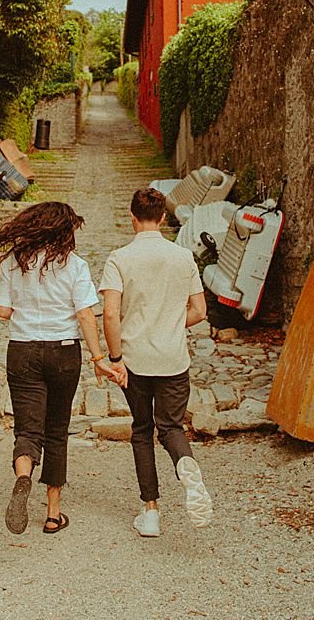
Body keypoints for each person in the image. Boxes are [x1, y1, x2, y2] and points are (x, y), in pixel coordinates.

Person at [0, 202, 120, 536]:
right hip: (63, 352)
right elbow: (86, 315)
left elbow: (3, 311)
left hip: (22, 350)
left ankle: (22, 477)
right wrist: (99, 358)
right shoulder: (75, 266)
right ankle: (52, 514)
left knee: (27, 430)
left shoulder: (10, 265)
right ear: (63, 231)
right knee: (57, 430)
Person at [99, 187, 213, 536]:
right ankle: (185, 463)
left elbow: (110, 315)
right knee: (171, 428)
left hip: (134, 359)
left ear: (132, 216)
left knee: (142, 430)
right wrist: (171, 324)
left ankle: (150, 513)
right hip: (173, 359)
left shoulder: (119, 259)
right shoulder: (182, 258)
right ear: (163, 218)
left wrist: (115, 357)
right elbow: (199, 311)